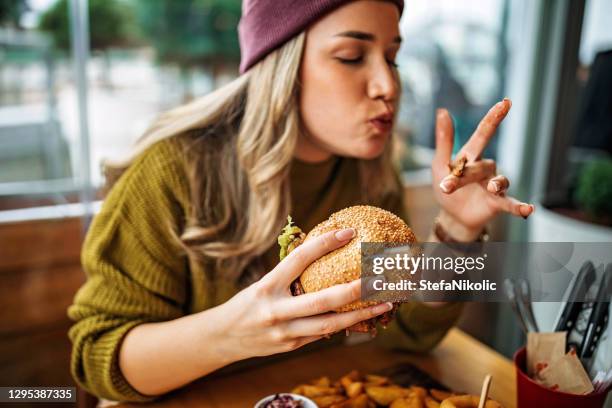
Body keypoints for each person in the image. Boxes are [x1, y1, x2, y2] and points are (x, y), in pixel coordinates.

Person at [68, 0, 535, 402]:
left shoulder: (369, 173)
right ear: (281, 66)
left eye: (392, 58)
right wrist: (234, 332)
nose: (388, 86)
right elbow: (96, 357)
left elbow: (411, 331)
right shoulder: (171, 171)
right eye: (352, 56)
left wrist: (458, 231)